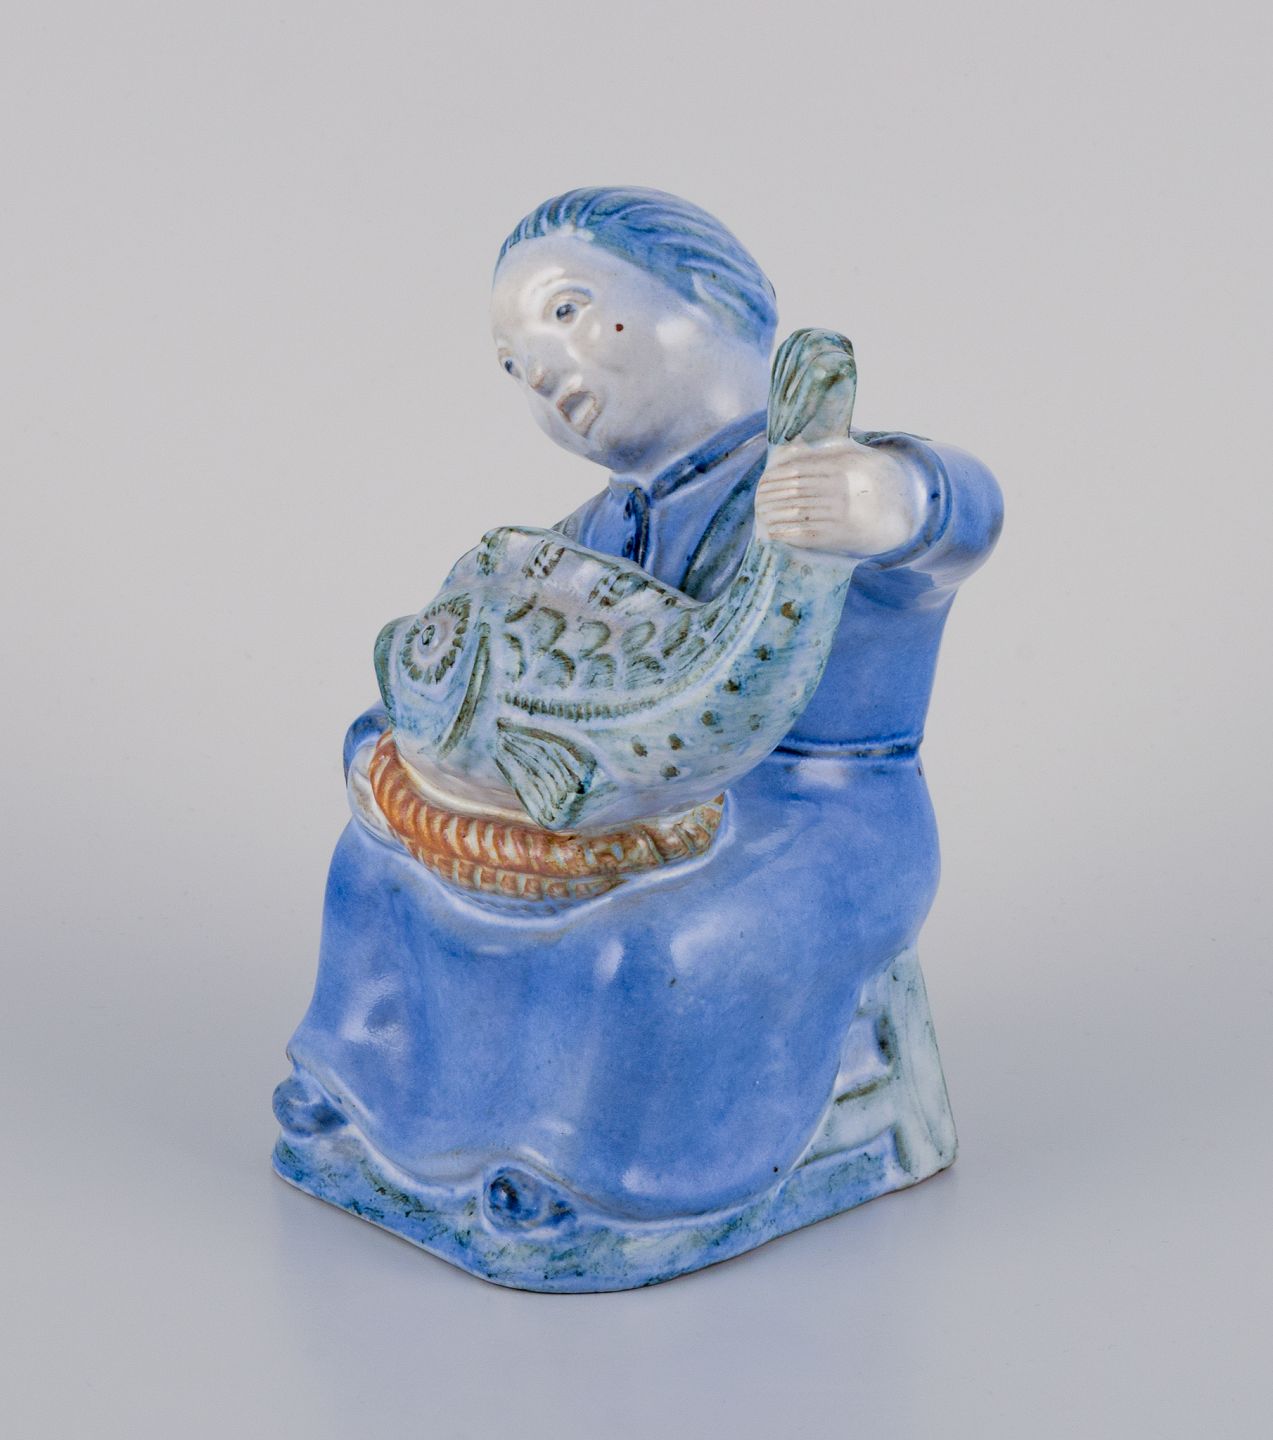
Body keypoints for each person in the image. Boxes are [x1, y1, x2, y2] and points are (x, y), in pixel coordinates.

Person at [273, 188, 1003, 1292]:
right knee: (374, 863)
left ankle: (585, 1177)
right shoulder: (592, 531)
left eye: (568, 313)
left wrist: (890, 495)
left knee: (643, 945)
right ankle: (361, 1102)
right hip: (628, 790)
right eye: (513, 366)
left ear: (712, 295)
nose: (541, 373)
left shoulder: (820, 479)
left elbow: (962, 516)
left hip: (819, 815)